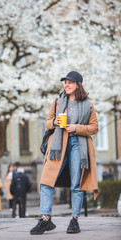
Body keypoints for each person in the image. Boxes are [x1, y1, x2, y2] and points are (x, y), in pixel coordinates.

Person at [30, 71, 99, 235]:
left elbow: (94, 127)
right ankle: (45, 219)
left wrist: (77, 128)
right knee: (46, 182)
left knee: (76, 185)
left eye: (70, 82)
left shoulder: (88, 104)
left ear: (78, 85)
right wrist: (54, 122)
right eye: (65, 82)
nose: (66, 85)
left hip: (78, 144)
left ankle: (74, 220)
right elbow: (47, 123)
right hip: (58, 145)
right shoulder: (57, 101)